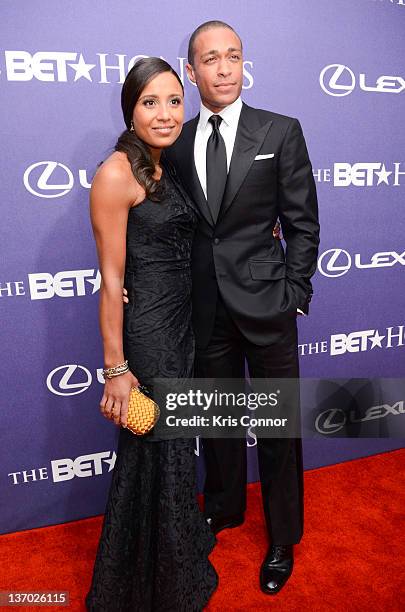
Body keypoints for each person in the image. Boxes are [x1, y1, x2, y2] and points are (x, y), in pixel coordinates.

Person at [163, 20, 320, 595]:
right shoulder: (174, 141)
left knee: (279, 427)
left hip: (268, 306)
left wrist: (295, 293)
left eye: (233, 57)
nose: (225, 68)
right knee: (219, 424)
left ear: (243, 64)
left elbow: (302, 223)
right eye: (211, 59)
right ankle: (224, 509)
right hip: (203, 309)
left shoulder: (280, 131)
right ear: (191, 70)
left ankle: (283, 537)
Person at [85, 57, 218, 611]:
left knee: (165, 455)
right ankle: (151, 586)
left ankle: (165, 556)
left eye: (173, 101)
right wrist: (116, 370)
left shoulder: (164, 166)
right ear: (130, 109)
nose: (164, 113)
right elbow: (111, 279)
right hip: (151, 334)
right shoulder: (117, 172)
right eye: (149, 102)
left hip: (181, 325)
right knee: (158, 450)